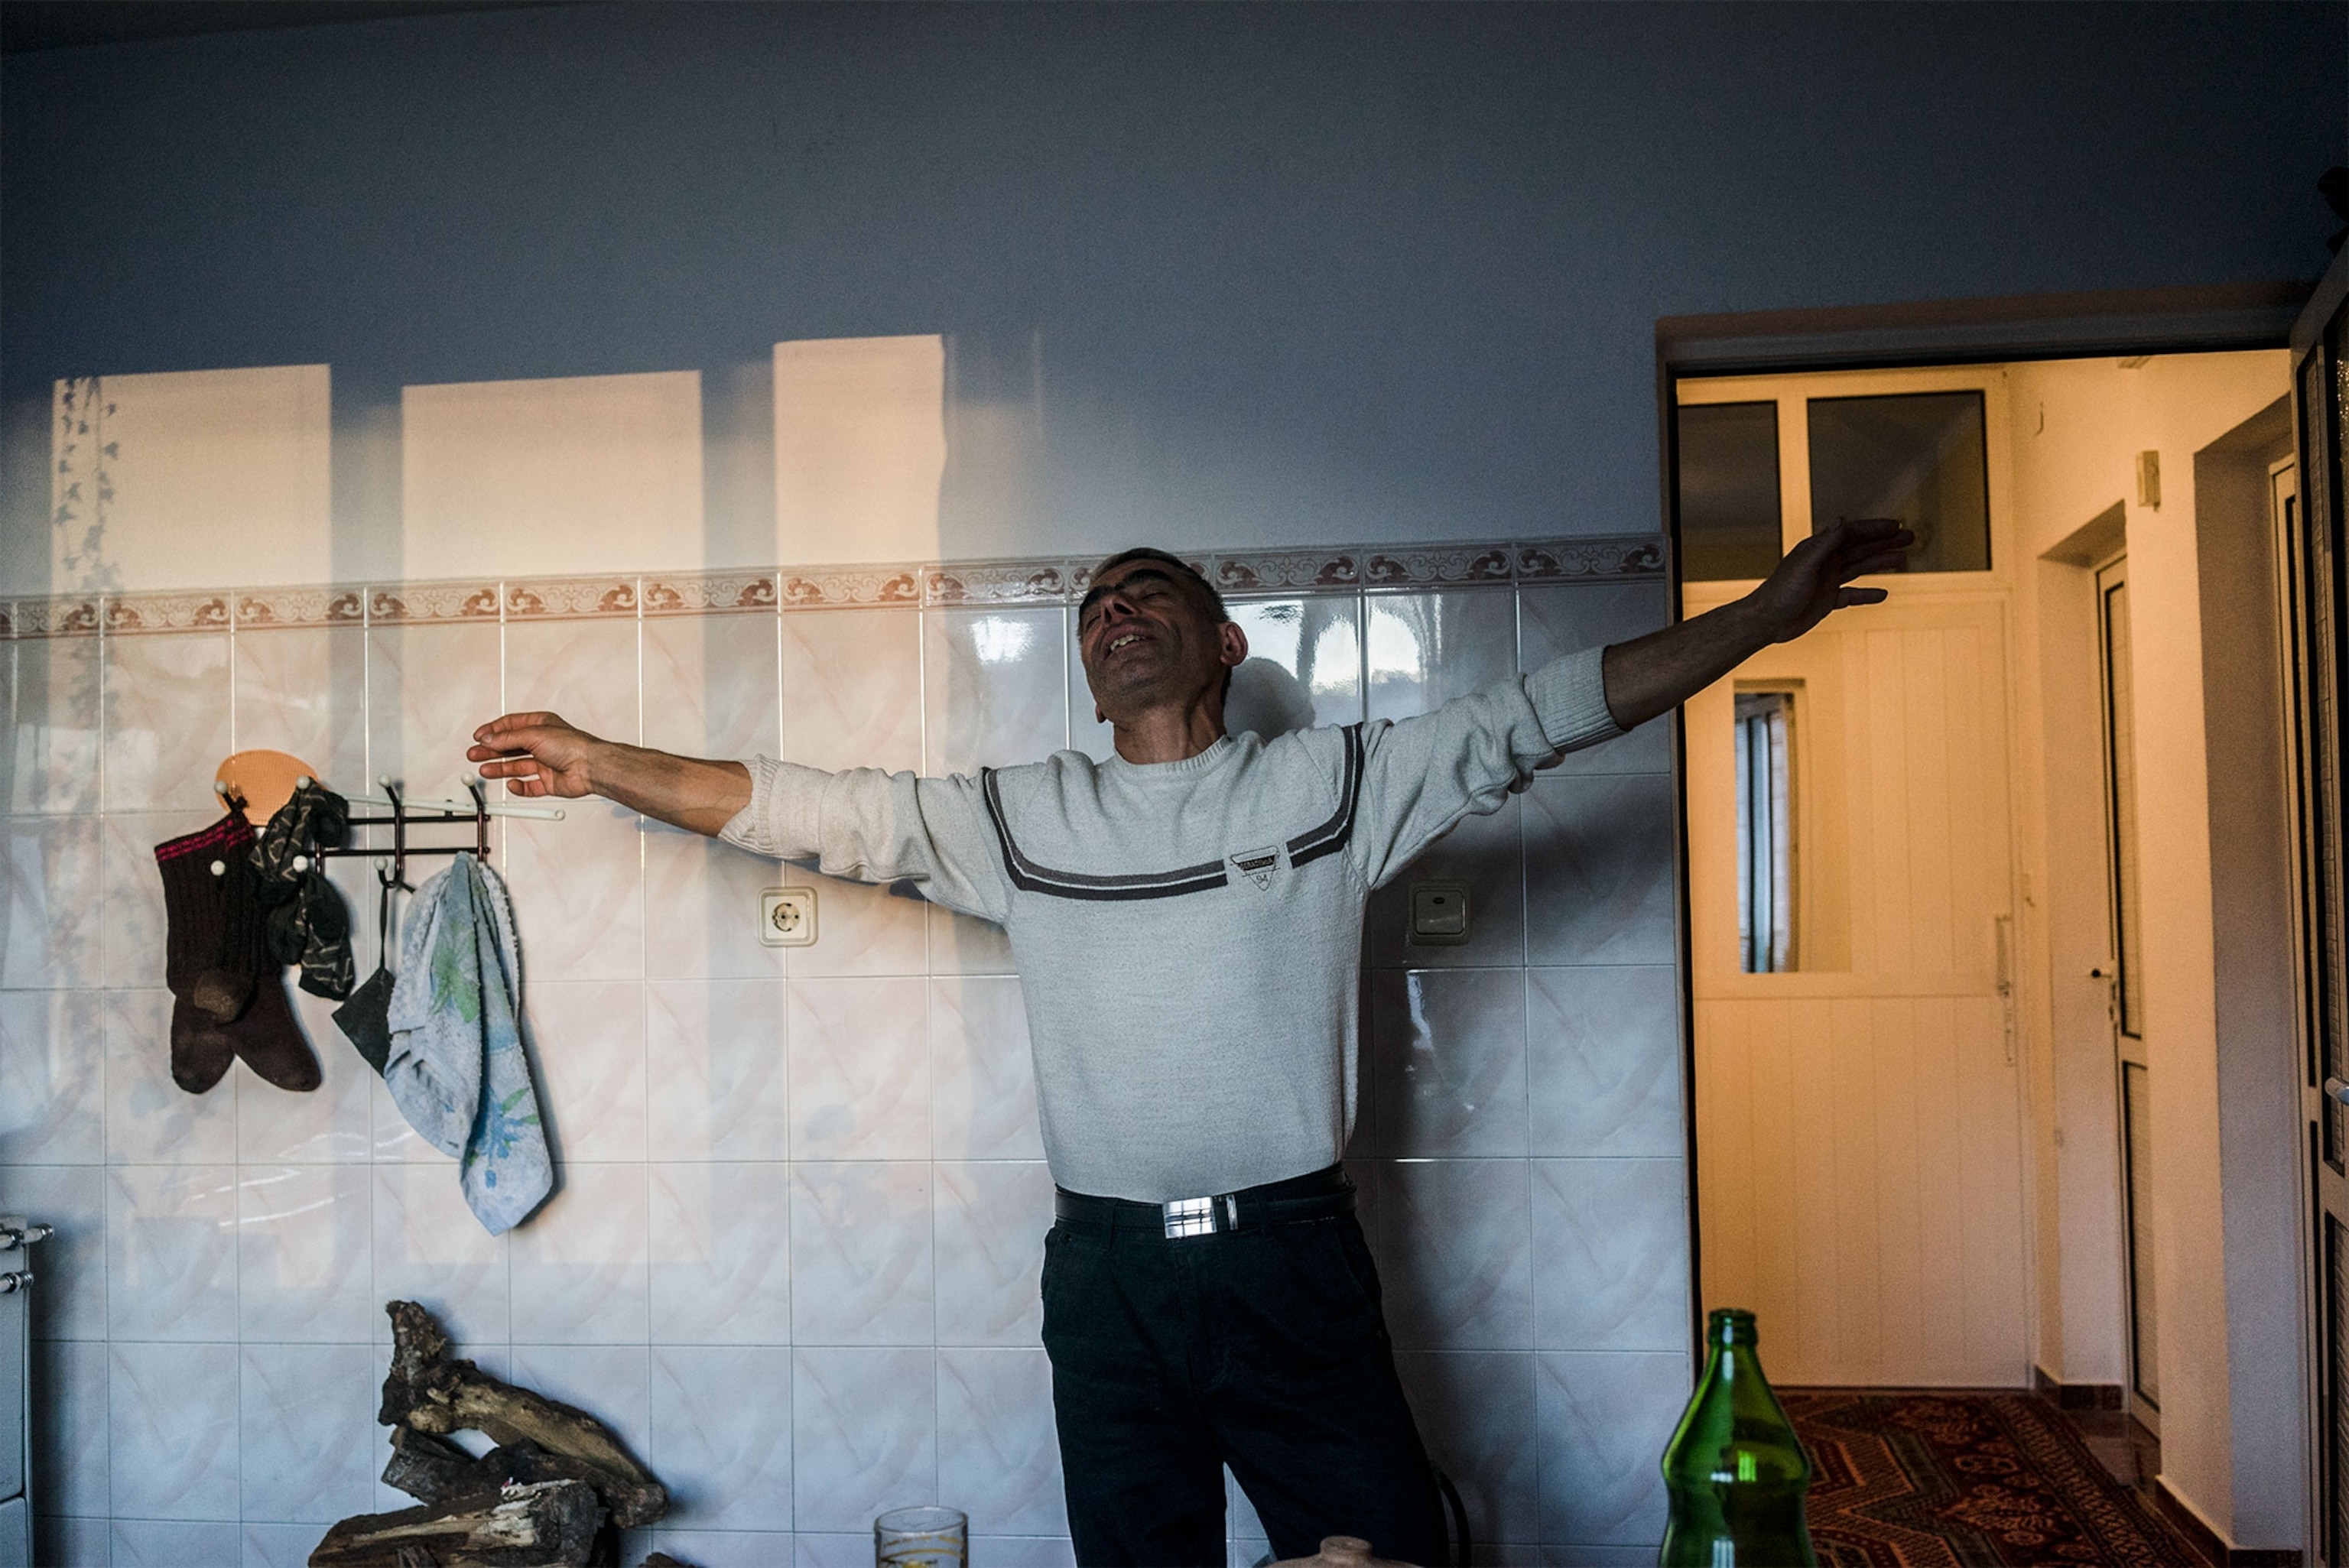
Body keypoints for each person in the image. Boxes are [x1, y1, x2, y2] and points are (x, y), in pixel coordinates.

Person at [468, 518, 1911, 1567]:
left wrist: (1764, 618)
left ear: (1224, 643)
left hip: (1291, 1262)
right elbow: (815, 809)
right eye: (1093, 608)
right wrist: (601, 762)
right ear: (1087, 673)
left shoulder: (1334, 786)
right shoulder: (1028, 821)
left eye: (1147, 592)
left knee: (1382, 1559)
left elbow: (1544, 711)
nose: (1114, 611)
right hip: (1104, 1283)